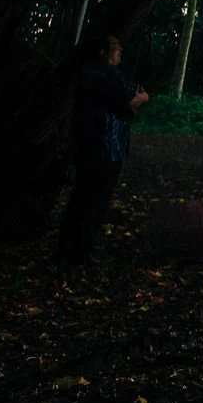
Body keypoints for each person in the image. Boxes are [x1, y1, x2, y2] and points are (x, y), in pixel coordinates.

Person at [57, 31, 149, 265]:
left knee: (81, 195)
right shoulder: (107, 75)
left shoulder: (85, 75)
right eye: (116, 50)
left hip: (86, 144)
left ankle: (68, 248)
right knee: (95, 199)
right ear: (104, 54)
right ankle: (81, 250)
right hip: (105, 147)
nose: (120, 55)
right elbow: (127, 103)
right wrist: (142, 98)